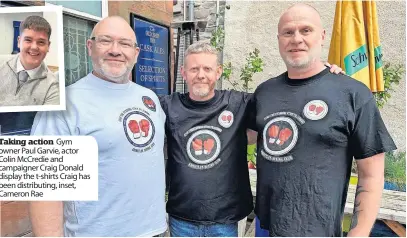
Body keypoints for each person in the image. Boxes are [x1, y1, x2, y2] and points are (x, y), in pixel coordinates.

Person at [160, 41, 344, 237]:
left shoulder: (239, 103)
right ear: (183, 72)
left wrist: (319, 76)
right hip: (181, 218)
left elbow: (287, 98)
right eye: (194, 69)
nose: (201, 75)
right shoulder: (167, 106)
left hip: (226, 220)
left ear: (218, 72)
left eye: (207, 68)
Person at [249, 3, 397, 237]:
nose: (296, 39)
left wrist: (358, 234)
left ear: (323, 36)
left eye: (306, 30)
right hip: (266, 227)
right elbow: (242, 135)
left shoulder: (353, 93)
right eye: (288, 32)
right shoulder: (264, 92)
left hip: (319, 230)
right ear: (279, 39)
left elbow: (372, 174)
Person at [29, 16, 167, 237]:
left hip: (155, 230)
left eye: (124, 43)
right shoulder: (62, 103)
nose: (115, 50)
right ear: (90, 46)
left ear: (136, 53)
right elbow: (43, 189)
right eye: (105, 41)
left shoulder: (148, 98)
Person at [0, 15, 59, 106]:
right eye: (28, 40)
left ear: (48, 46)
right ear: (19, 42)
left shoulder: (53, 87)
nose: (34, 47)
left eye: (41, 42)